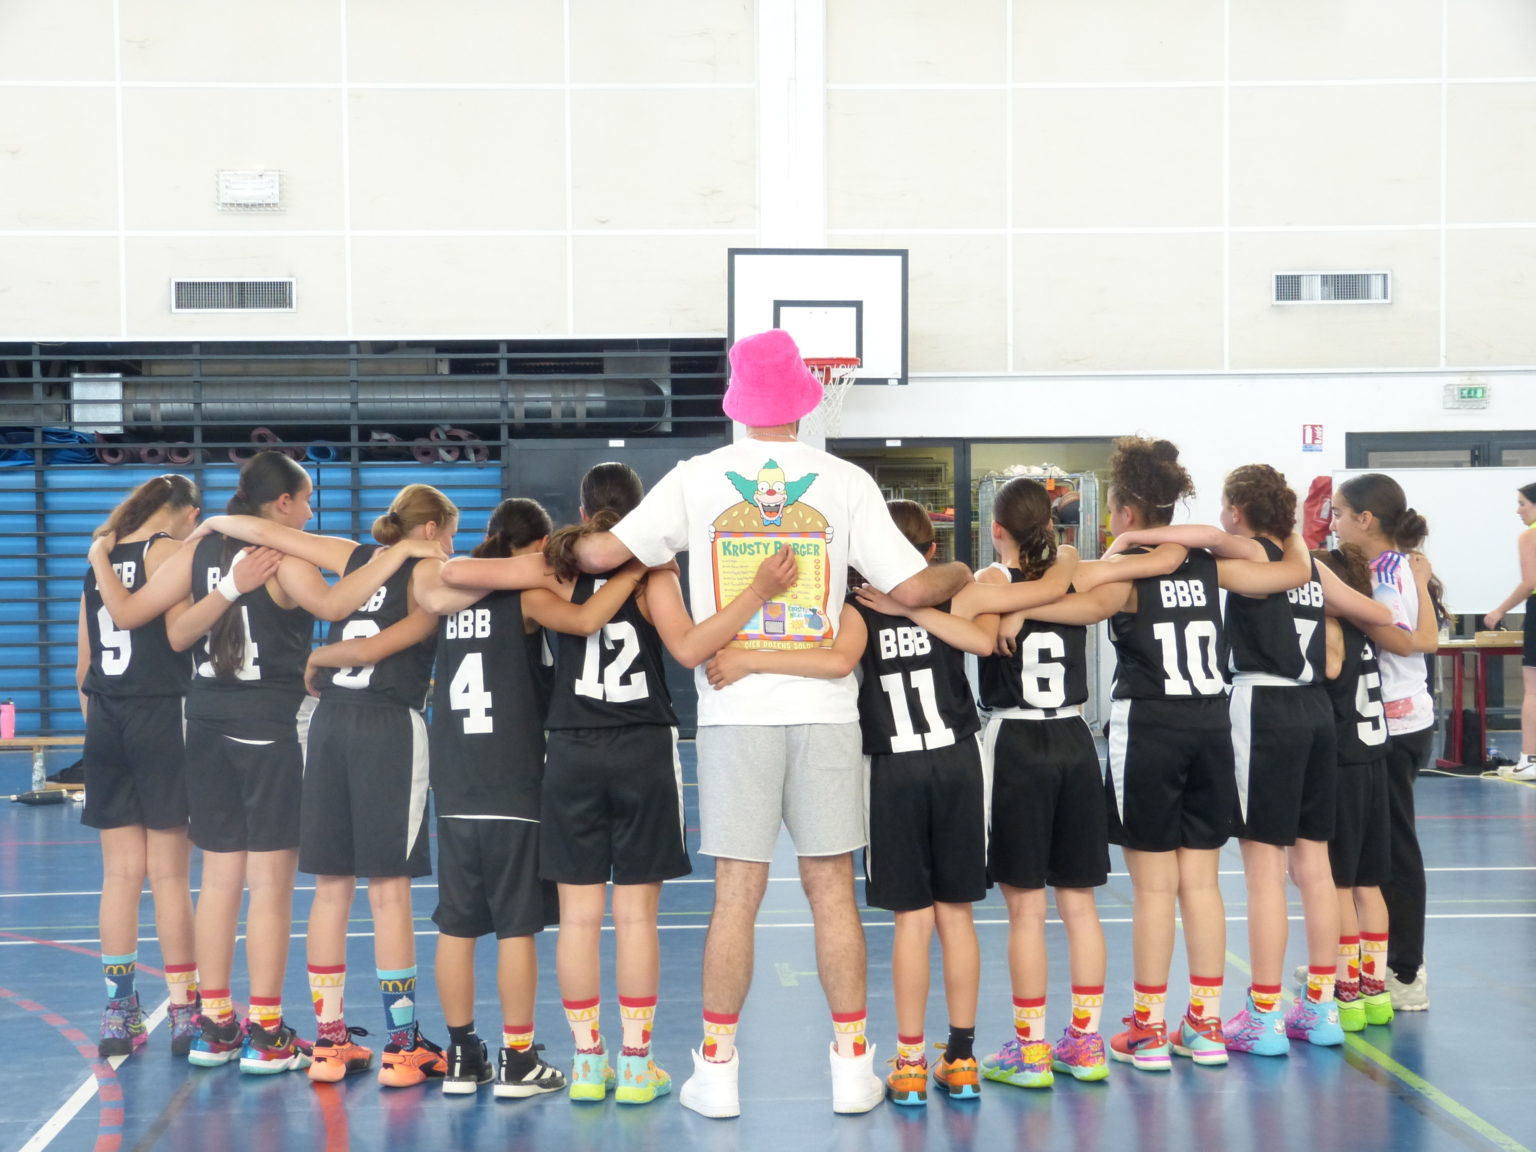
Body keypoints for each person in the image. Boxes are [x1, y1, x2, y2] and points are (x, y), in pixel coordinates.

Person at [567, 329, 972, 1118]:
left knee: (735, 898)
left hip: (736, 713)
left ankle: (718, 1072)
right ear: (804, 401)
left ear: (737, 401)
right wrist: (963, 569)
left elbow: (600, 555)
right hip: (825, 711)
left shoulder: (695, 478)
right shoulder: (846, 481)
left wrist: (561, 552)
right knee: (832, 894)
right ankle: (851, 1068)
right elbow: (917, 590)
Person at [443, 463, 798, 1106]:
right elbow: (688, 651)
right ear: (642, 512)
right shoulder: (655, 570)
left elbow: (459, 574)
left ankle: (587, 1061)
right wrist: (755, 596)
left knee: (579, 921)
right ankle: (635, 1064)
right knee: (636, 918)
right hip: (641, 747)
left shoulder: (557, 569)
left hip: (571, 749)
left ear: (582, 510)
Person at [90, 451, 441, 1073]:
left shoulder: (197, 551)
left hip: (205, 723)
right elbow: (335, 608)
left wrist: (222, 585)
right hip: (270, 728)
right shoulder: (284, 556)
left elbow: (173, 635)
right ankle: (266, 1031)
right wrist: (397, 555)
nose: (308, 515)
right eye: (305, 502)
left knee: (218, 880)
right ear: (282, 503)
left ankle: (214, 1025)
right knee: (270, 889)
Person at [1111, 464, 1391, 1057]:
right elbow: (1380, 616)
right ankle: (1321, 1006)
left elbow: (1207, 541)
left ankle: (1264, 1013)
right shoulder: (1308, 565)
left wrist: (1135, 538)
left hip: (1264, 707)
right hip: (1318, 709)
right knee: (1316, 869)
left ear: (1237, 511)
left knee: (1265, 873)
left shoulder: (1247, 557)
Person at [1091, 437, 1309, 1073]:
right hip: (1211, 724)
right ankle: (1207, 1025)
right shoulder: (1210, 566)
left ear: (1127, 512)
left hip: (1151, 724)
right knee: (1204, 886)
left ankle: (1149, 1029)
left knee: (1154, 889)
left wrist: (1123, 552)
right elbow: (1290, 572)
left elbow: (1075, 589)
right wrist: (1294, 531)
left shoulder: (1126, 571)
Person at [269, 484, 459, 1089]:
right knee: (389, 892)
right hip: (387, 727)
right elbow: (384, 642)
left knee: (330, 889)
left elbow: (273, 534)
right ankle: (402, 1047)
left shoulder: (352, 558)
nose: (451, 546)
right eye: (450, 534)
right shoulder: (430, 572)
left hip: (328, 725)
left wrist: (215, 525)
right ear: (430, 530)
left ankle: (328, 1043)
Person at [969, 477, 1114, 1090]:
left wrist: (1014, 606)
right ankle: (1085, 1040)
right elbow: (1074, 571)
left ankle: (1030, 1050)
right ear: (1050, 528)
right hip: (1076, 738)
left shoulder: (985, 583)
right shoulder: (1070, 578)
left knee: (1026, 909)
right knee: (1080, 905)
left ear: (995, 528)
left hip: (1018, 741)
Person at [78, 474, 203, 1059]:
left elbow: (84, 665)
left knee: (121, 876)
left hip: (106, 717)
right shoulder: (168, 552)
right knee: (170, 875)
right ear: (187, 513)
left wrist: (104, 721)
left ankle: (119, 1011)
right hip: (161, 712)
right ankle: (183, 1011)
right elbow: (179, 637)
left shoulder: (99, 558)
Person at [1330, 474, 1440, 1011]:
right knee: (1370, 843)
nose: (1333, 523)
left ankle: (1405, 969)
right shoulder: (1387, 567)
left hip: (1396, 724)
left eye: (1339, 513)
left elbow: (1410, 640)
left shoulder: (1390, 574)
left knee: (1395, 847)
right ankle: (1359, 961)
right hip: (1383, 720)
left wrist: (1346, 607)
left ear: (1365, 519)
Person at [1314, 545, 1396, 1033]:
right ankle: (1375, 990)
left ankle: (1346, 993)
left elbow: (1326, 671)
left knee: (1339, 883)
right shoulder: (1366, 628)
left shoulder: (1331, 626)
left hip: (1343, 764)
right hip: (1374, 760)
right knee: (1369, 883)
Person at [1483, 480, 1536, 780]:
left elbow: (1529, 582)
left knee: (1533, 689)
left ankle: (1529, 760)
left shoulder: (1529, 536)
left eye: (1522, 504)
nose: (1518, 510)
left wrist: (1499, 610)